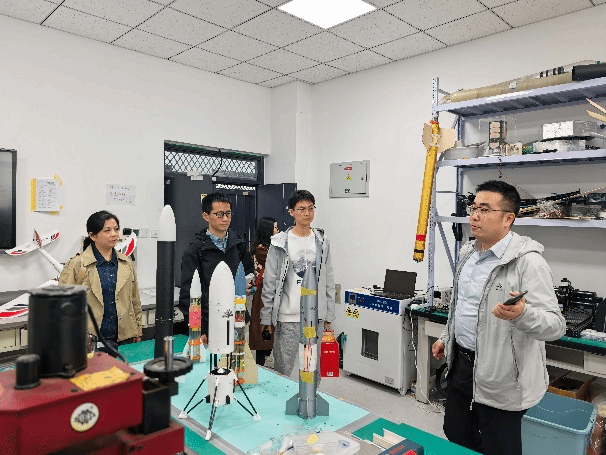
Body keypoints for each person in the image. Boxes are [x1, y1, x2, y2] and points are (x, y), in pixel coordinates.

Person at [431, 180, 566, 455]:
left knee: (500, 447)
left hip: (502, 376)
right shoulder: (467, 253)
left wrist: (523, 314)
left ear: (508, 219)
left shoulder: (529, 263)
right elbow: (461, 305)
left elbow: (555, 326)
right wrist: (446, 337)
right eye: (473, 208)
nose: (474, 216)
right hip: (461, 364)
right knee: (456, 432)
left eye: (484, 209)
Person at [261, 190, 336, 376]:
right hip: (288, 316)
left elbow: (328, 278)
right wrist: (266, 316)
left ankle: (311, 395)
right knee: (284, 368)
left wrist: (329, 313)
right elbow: (270, 281)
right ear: (291, 212)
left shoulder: (322, 241)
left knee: (312, 368)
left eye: (310, 208)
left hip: (314, 316)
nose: (307, 213)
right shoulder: (280, 242)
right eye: (301, 209)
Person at [177, 192, 253, 343]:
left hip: (236, 320)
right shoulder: (195, 251)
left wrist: (248, 285)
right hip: (209, 325)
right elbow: (188, 296)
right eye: (219, 214)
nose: (225, 219)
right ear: (206, 216)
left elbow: (249, 273)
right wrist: (199, 329)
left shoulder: (239, 246)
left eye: (228, 213)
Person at [59, 210, 142, 345]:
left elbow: (134, 300)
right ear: (92, 235)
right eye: (107, 230)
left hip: (124, 337)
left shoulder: (126, 263)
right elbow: (64, 305)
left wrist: (137, 330)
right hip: (89, 339)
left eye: (116, 229)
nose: (114, 234)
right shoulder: (77, 264)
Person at [249, 217, 278, 366]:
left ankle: (267, 358)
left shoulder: (269, 248)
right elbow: (277, 263)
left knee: (271, 326)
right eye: (275, 228)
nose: (277, 230)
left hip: (270, 290)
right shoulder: (261, 251)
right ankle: (261, 364)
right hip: (263, 292)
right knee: (262, 326)